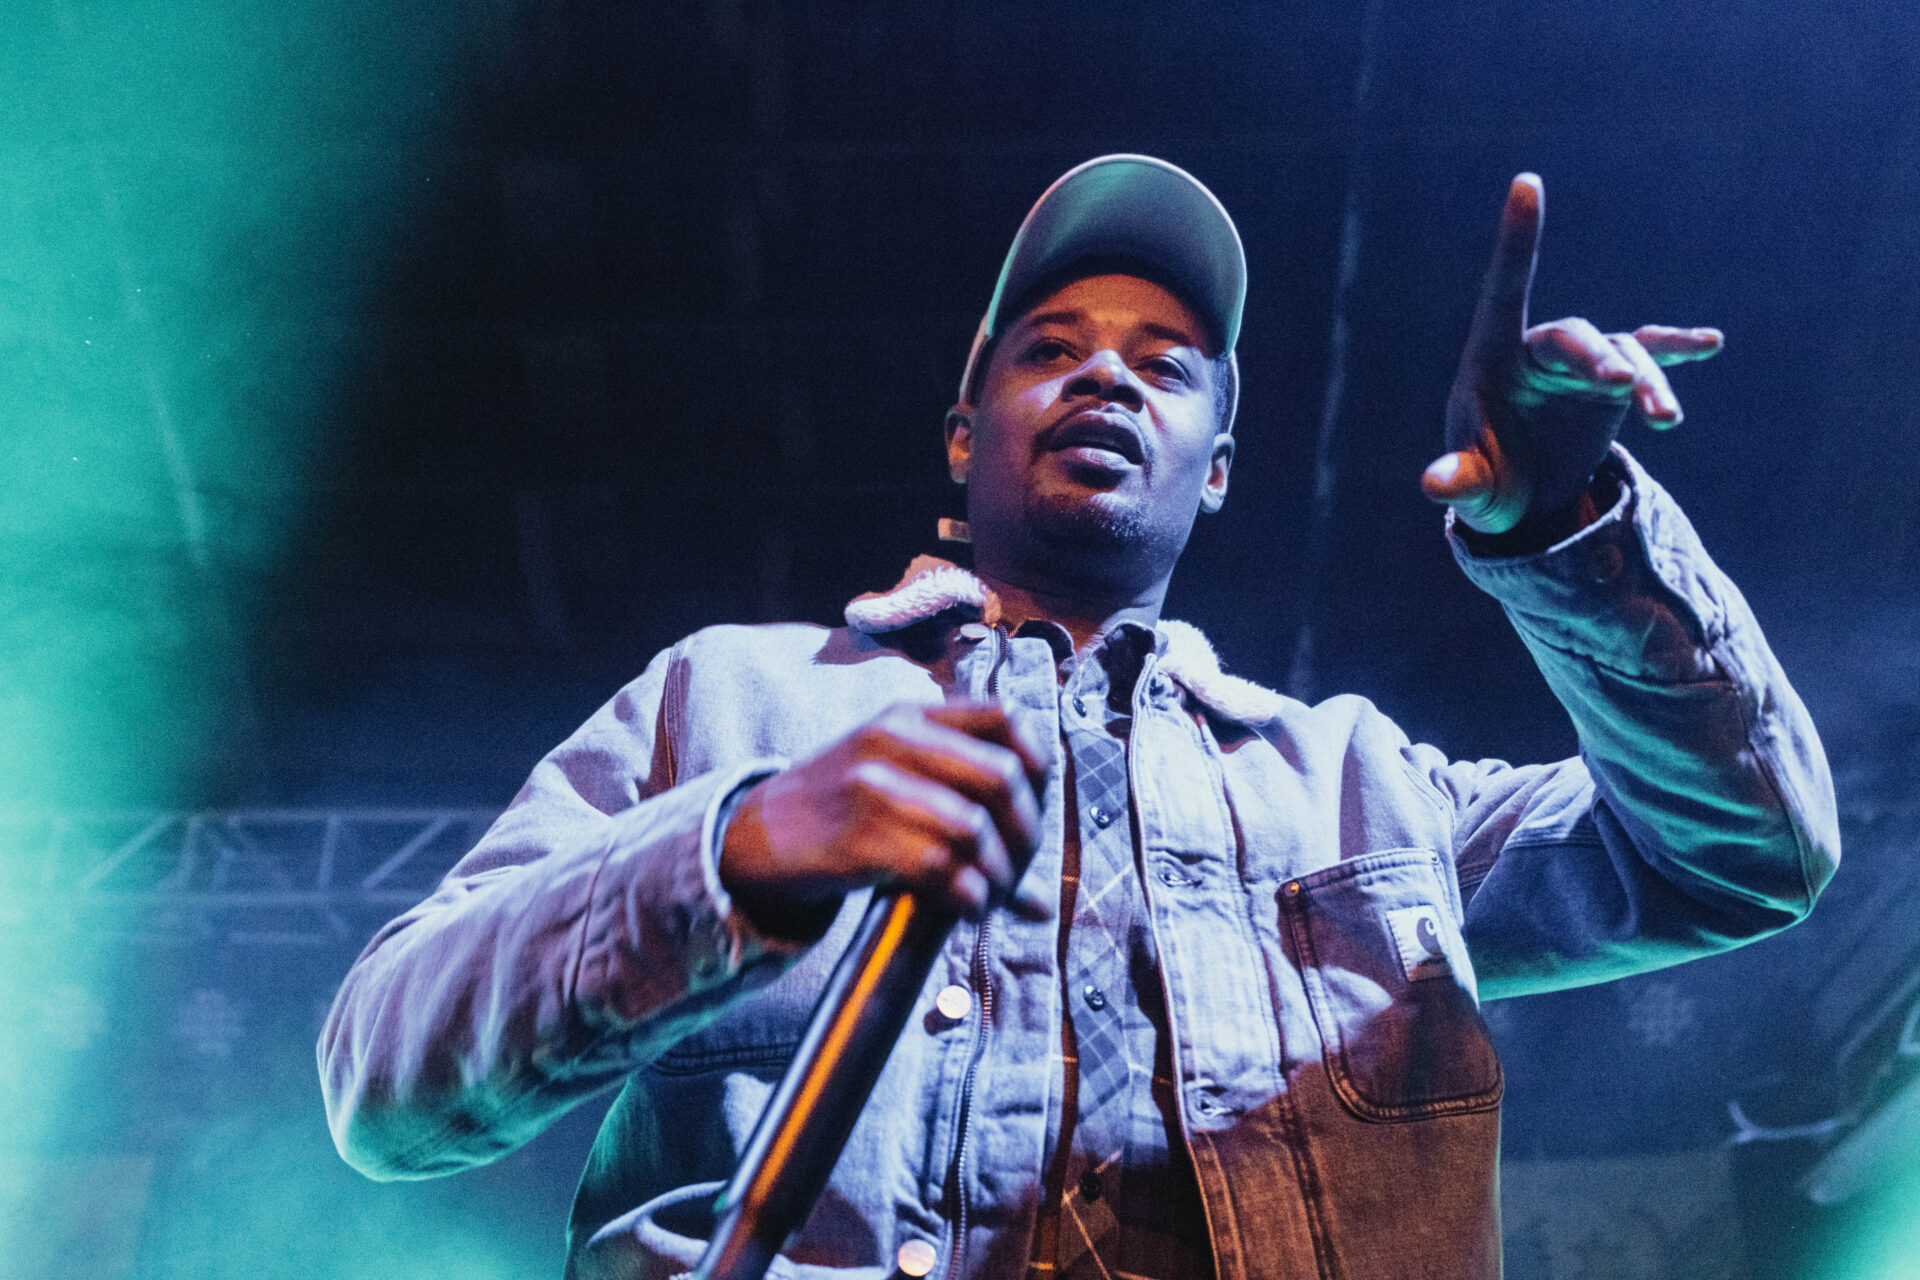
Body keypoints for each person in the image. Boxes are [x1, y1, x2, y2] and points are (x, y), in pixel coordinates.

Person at [319, 155, 1838, 1280]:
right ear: (964, 434)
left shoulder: (1361, 789)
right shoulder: (728, 701)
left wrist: (1570, 530)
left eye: (1165, 365)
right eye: (1050, 348)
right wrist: (740, 850)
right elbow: (384, 1080)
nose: (1106, 371)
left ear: (1217, 465)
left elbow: (1750, 852)